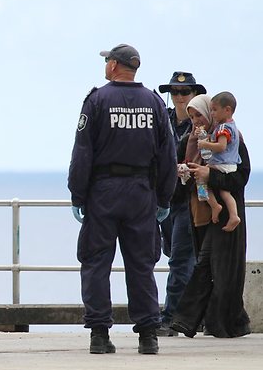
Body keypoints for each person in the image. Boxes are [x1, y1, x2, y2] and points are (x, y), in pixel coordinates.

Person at [68, 44, 177, 355]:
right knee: (141, 265)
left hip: (103, 192)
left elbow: (83, 151)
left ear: (114, 65)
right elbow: (167, 154)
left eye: (107, 61)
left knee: (96, 263)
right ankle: (148, 336)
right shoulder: (154, 102)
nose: (106, 65)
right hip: (142, 193)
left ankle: (99, 335)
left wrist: (78, 194)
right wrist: (164, 198)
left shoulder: (97, 100)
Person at [171, 94, 251, 338]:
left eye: (200, 116)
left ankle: (192, 321)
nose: (196, 121)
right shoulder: (191, 140)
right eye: (192, 116)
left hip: (226, 213)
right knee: (209, 266)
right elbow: (180, 180)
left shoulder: (230, 139)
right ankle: (214, 322)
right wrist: (186, 174)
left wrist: (210, 176)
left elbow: (240, 177)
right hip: (200, 212)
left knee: (219, 267)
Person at [156, 71, 206, 336]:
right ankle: (194, 316)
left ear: (195, 95)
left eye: (184, 92)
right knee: (173, 255)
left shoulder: (203, 125)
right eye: (174, 92)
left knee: (181, 260)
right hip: (164, 198)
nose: (179, 97)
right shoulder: (160, 119)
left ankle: (171, 318)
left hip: (190, 199)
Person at [198, 92, 241, 230]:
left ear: (227, 110)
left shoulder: (223, 128)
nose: (211, 113)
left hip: (222, 163)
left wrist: (205, 144)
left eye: (214, 110)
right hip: (231, 164)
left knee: (201, 179)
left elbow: (221, 146)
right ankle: (234, 215)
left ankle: (214, 205)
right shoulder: (232, 126)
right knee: (224, 192)